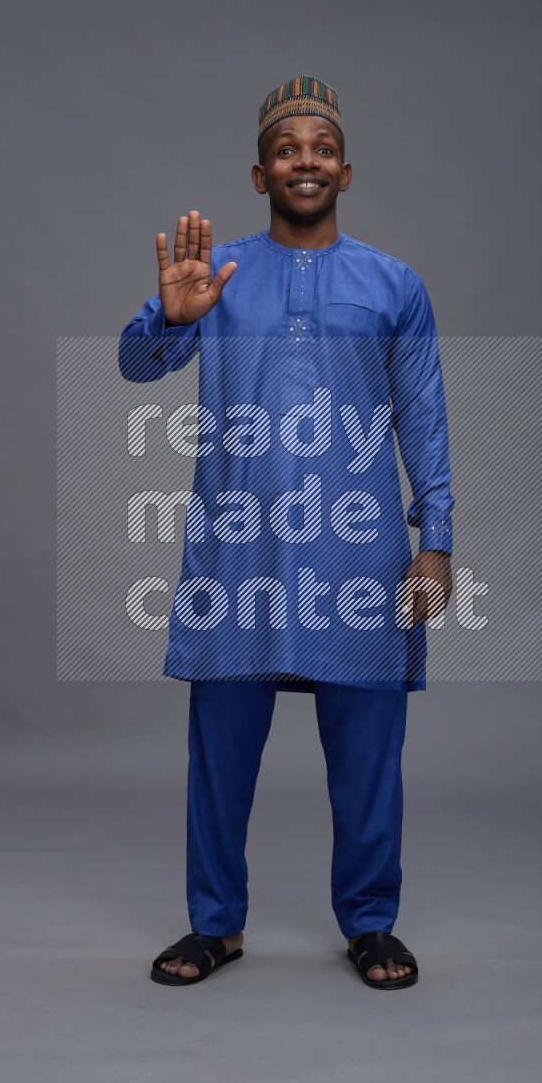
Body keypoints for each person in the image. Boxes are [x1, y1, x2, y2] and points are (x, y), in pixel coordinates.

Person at [118, 76, 455, 989]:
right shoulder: (215, 273)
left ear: (345, 170)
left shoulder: (394, 285)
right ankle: (214, 925)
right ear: (259, 172)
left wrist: (437, 537)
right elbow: (135, 365)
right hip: (243, 552)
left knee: (369, 755)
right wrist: (170, 320)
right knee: (219, 756)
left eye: (318, 147)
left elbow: (422, 416)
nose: (303, 159)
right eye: (284, 148)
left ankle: (372, 923)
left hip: (359, 552)